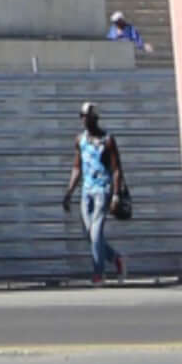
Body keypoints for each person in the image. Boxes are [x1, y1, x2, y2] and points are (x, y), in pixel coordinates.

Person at [72, 100, 128, 280]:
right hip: (86, 191)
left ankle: (98, 272)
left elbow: (117, 169)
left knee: (96, 232)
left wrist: (116, 196)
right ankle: (115, 258)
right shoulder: (80, 140)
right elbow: (77, 167)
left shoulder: (107, 140)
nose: (84, 121)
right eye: (82, 117)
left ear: (95, 118)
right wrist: (69, 192)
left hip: (102, 190)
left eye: (88, 117)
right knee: (89, 234)